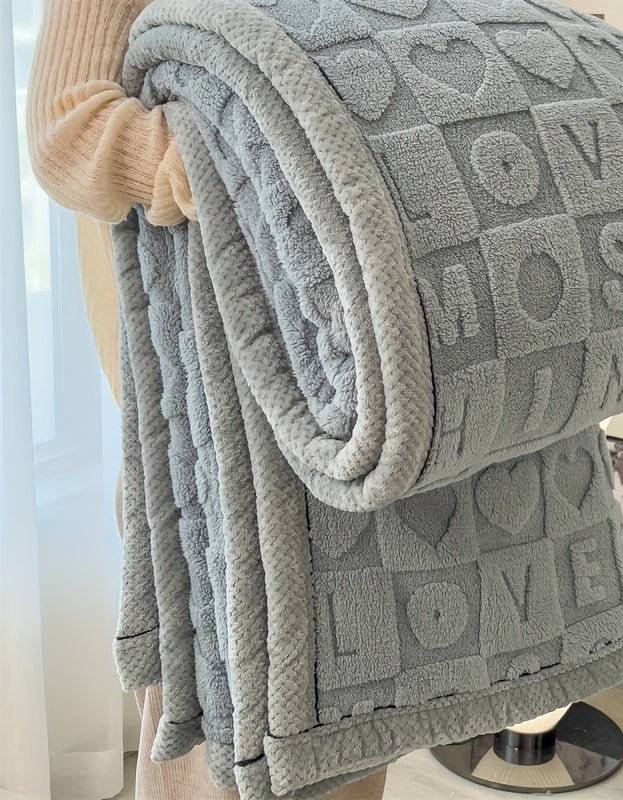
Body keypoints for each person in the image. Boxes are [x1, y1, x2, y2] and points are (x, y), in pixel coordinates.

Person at [27, 2, 387, 798]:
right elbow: (66, 128)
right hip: (204, 446)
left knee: (357, 732)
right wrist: (248, 167)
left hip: (354, 406)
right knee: (215, 764)